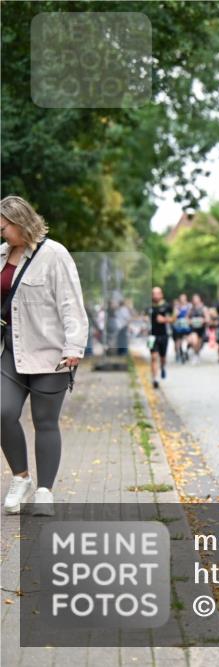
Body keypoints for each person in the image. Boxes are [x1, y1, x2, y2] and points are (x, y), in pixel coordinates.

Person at [0, 195, 87, 516]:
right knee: (3, 412)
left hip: (50, 352)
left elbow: (71, 304)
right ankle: (21, 477)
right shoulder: (1, 255)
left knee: (45, 421)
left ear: (20, 222)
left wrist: (74, 348)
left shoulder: (54, 254)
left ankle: (44, 492)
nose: (1, 233)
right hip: (10, 349)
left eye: (4, 227)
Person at [148, 286, 173, 389]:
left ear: (161, 294)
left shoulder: (167, 306)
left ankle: (162, 367)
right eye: (154, 293)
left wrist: (165, 319)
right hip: (151, 336)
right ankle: (155, 379)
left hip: (163, 335)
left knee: (162, 357)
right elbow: (143, 316)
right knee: (153, 357)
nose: (156, 295)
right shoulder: (149, 306)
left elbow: (174, 318)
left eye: (158, 293)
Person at [187, 293, 208, 363]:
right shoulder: (191, 309)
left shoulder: (203, 308)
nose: (195, 300)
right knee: (194, 342)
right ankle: (195, 354)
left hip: (201, 329)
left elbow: (208, 319)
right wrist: (190, 321)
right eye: (194, 299)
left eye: (197, 299)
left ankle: (197, 353)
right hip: (194, 329)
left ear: (199, 299)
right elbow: (187, 318)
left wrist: (203, 320)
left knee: (198, 344)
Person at [172, 294, 191, 363]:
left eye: (184, 298)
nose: (183, 300)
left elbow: (190, 315)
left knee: (187, 339)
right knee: (178, 340)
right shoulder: (177, 307)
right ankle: (178, 353)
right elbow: (174, 316)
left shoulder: (189, 306)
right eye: (181, 298)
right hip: (178, 326)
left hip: (186, 326)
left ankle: (185, 352)